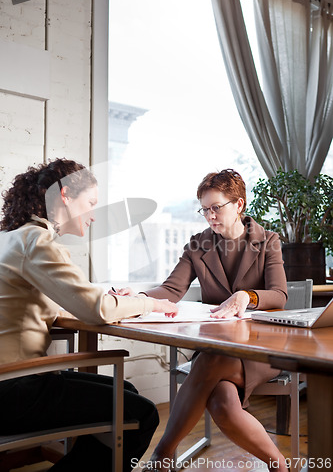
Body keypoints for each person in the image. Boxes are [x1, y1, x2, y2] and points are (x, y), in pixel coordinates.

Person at [0, 158, 178, 472]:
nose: (94, 215)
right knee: (142, 413)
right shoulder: (36, 242)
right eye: (91, 203)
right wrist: (149, 303)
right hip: (14, 388)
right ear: (65, 195)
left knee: (127, 393)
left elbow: (57, 302)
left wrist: (106, 298)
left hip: (11, 381)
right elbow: (96, 310)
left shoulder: (12, 238)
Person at [117, 169, 288, 472]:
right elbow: (171, 290)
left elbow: (279, 295)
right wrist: (138, 295)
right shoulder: (198, 244)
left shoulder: (269, 241)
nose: (210, 216)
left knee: (208, 362)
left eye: (216, 208)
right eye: (205, 209)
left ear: (238, 205)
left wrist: (246, 296)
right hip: (219, 345)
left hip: (261, 347)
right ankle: (280, 464)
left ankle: (163, 454)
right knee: (221, 403)